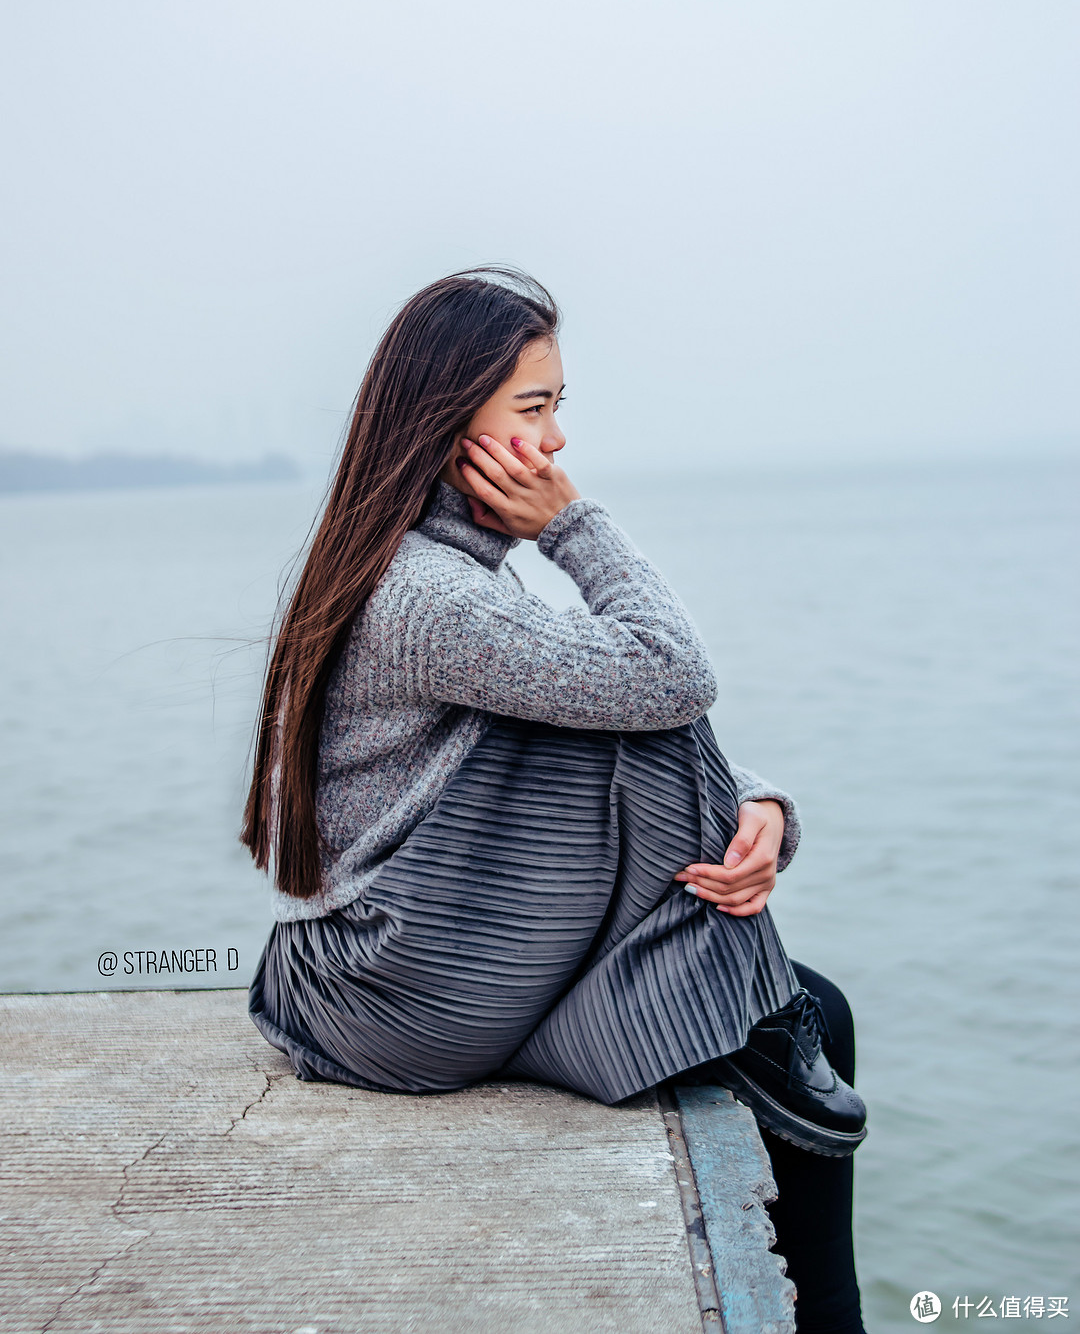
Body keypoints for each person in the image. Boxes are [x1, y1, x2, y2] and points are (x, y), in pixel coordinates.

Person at [242, 268, 868, 1334]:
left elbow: (595, 694)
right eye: (534, 411)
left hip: (381, 977)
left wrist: (757, 808)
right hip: (401, 996)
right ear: (452, 428)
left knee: (821, 1004)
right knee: (775, 991)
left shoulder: (415, 570)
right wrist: (577, 528)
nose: (557, 445)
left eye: (558, 410)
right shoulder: (431, 595)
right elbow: (670, 673)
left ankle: (755, 1024)